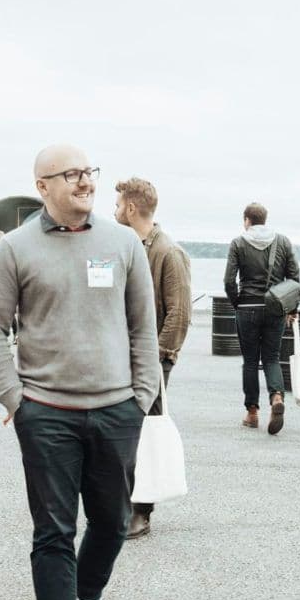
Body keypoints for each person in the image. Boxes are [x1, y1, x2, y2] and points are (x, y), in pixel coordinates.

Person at [0, 144, 159, 600]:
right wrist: (15, 401)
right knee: (53, 530)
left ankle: (88, 595)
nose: (85, 182)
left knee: (112, 520)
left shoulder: (123, 243)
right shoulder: (15, 248)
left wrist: (142, 397)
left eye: (89, 172)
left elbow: (143, 327)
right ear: (43, 186)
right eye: (72, 174)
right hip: (46, 412)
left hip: (117, 409)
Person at [114, 176, 192, 539]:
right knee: (125, 428)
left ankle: (141, 510)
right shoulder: (130, 246)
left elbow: (179, 313)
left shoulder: (167, 252)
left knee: (146, 430)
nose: (114, 211)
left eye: (118, 205)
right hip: (125, 356)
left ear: (131, 208)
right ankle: (124, 501)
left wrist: (157, 358)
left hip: (152, 360)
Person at [224, 203, 299, 434]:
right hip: (275, 308)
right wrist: (292, 309)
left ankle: (252, 413)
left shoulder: (238, 243)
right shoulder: (283, 242)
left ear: (247, 220)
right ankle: (276, 397)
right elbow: (294, 278)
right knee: (272, 358)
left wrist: (238, 302)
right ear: (265, 219)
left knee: (250, 361)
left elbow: (229, 281)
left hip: (247, 308)